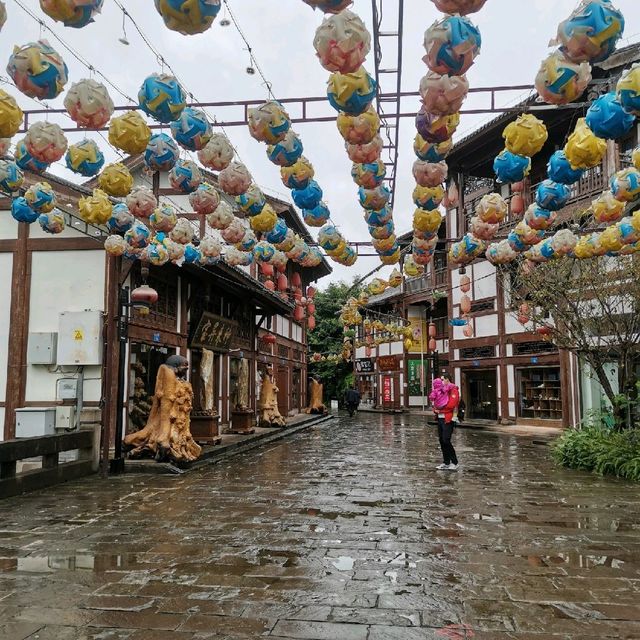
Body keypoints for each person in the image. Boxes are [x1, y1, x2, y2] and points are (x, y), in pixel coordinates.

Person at [433, 372, 460, 471]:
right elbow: (435, 401)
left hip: (448, 418)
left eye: (443, 379)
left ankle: (455, 462)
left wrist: (440, 409)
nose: (441, 381)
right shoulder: (440, 390)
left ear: (448, 379)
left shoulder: (453, 390)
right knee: (441, 440)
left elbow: (452, 404)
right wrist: (435, 409)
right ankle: (446, 462)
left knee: (446, 439)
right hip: (440, 418)